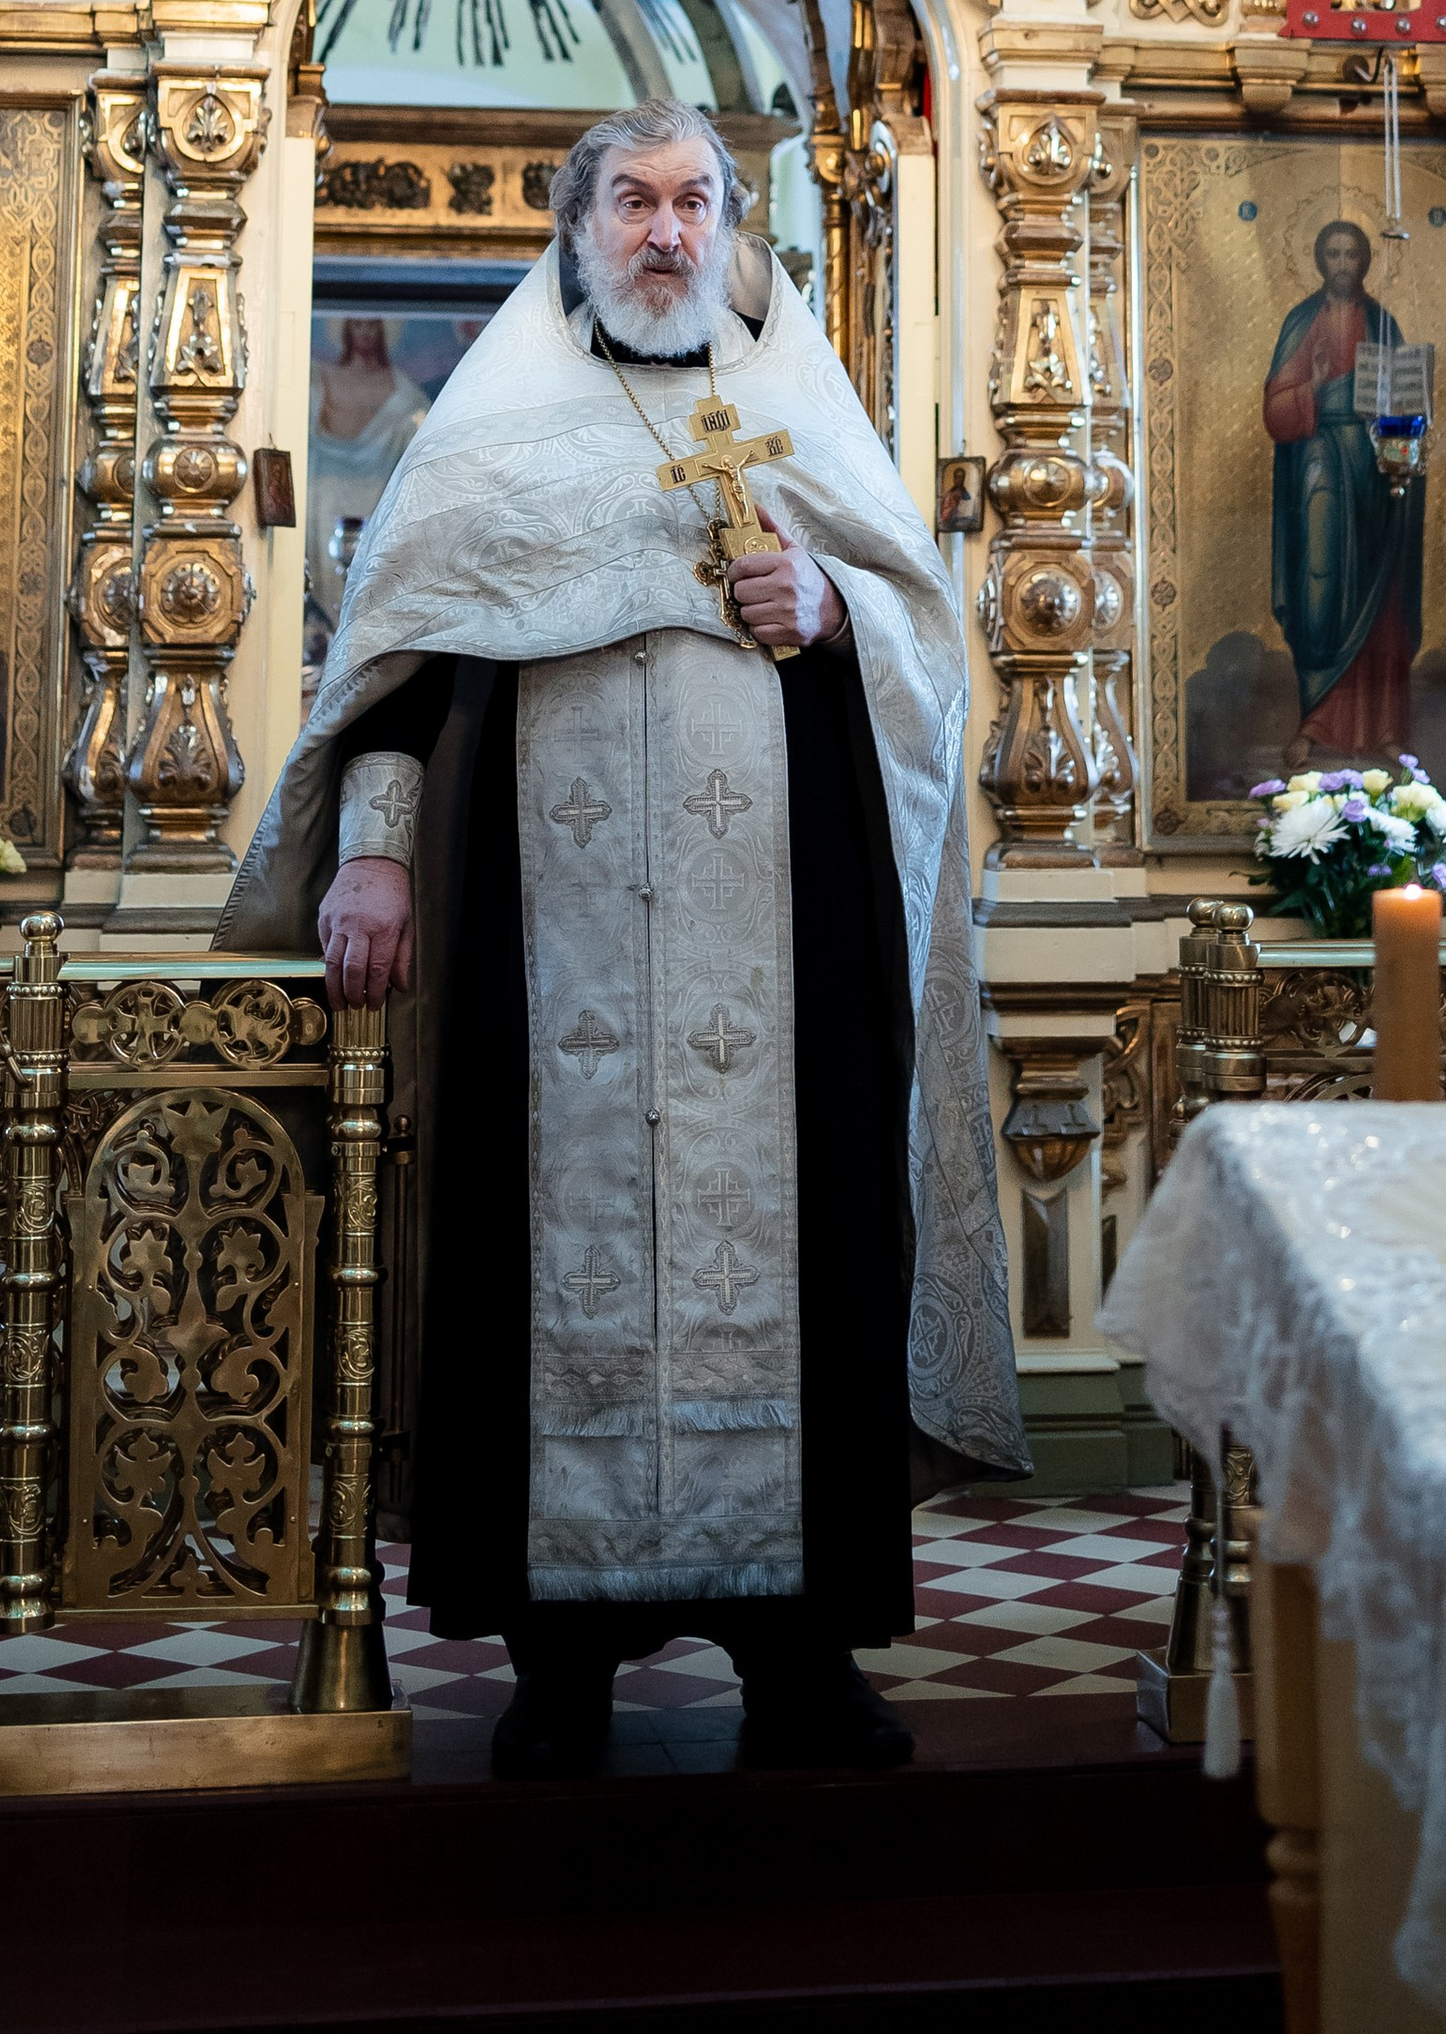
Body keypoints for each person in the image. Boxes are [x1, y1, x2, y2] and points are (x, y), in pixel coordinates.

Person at [221, 102, 1022, 1779]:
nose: (665, 231)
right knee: (540, 1268)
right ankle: (560, 1659)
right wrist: (371, 864)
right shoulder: (492, 435)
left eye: (695, 203)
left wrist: (833, 610)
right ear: (577, 233)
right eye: (633, 203)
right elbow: (399, 689)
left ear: (736, 232)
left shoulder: (804, 416)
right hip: (546, 970)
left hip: (782, 969)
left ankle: (801, 1661)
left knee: (802, 1261)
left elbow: (922, 664)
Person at [1264, 218, 1425, 763]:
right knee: (1321, 591)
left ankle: (1384, 731)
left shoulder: (1382, 324)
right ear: (1318, 260)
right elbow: (1276, 413)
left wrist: (1403, 446)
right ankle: (1316, 721)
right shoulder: (1301, 320)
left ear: (1364, 262)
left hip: (1376, 475)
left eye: (1351, 254)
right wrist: (1314, 387)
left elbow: (1405, 403)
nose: (1341, 263)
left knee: (1380, 602)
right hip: (1320, 471)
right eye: (1332, 253)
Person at [305, 317, 431, 631]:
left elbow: (420, 443)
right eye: (357, 325)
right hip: (323, 501)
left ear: (383, 331)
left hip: (375, 502)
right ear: (345, 330)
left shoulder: (403, 393)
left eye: (371, 326)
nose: (364, 333)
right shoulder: (320, 381)